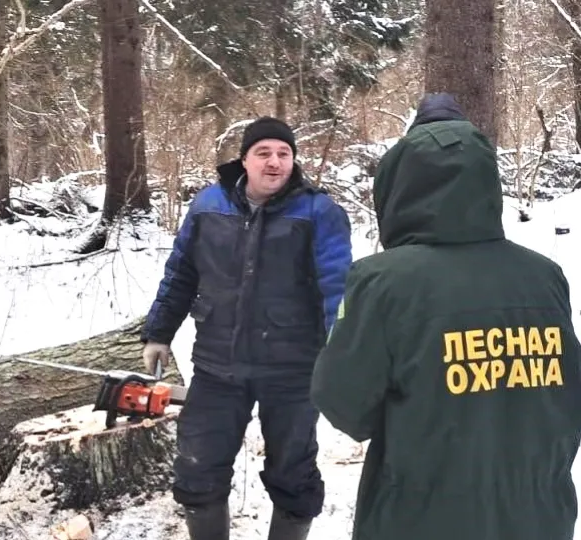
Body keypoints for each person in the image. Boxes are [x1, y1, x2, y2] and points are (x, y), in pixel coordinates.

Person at [310, 93, 581, 540]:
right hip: (538, 513)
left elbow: (344, 403)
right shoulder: (544, 276)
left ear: (400, 185)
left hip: (421, 516)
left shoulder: (382, 282)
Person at [141, 117, 353, 540]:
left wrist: (342, 354)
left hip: (293, 370)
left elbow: (337, 288)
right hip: (219, 366)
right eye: (264, 153)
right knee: (197, 468)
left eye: (284, 154)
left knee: (294, 475)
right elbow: (181, 273)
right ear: (244, 160)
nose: (275, 163)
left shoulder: (319, 212)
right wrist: (159, 332)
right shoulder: (208, 206)